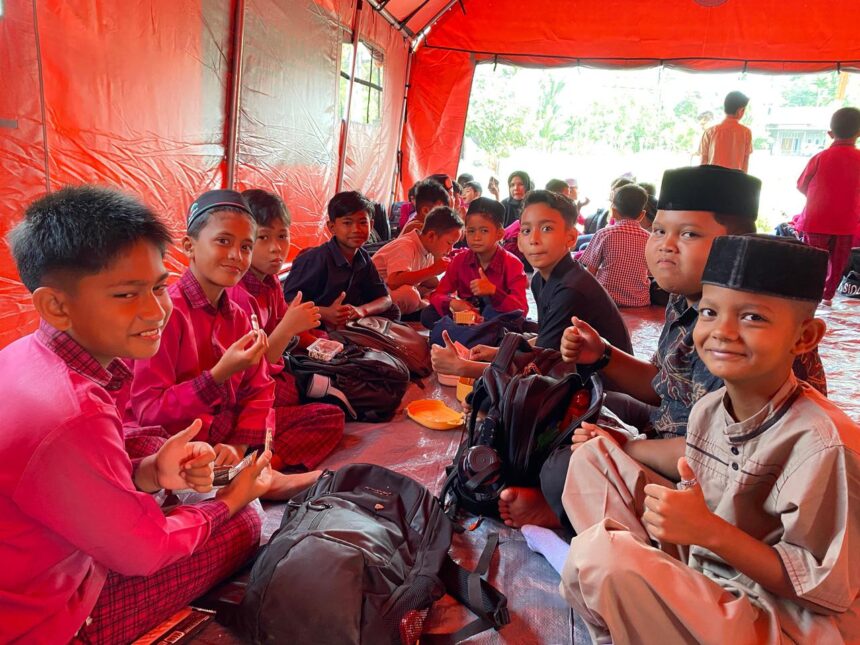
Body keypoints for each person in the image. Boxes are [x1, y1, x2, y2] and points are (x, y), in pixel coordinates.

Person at [553, 235, 860, 643]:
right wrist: (691, 522)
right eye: (711, 312)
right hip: (709, 568)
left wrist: (710, 531)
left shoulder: (826, 445)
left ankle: (638, 607)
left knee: (598, 557)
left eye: (752, 318)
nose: (723, 331)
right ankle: (642, 604)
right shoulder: (711, 408)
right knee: (593, 458)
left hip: (776, 618)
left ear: (804, 337)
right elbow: (697, 498)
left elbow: (825, 592)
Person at [0, 186, 272, 643]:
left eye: (159, 286)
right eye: (127, 294)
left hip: (44, 542)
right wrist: (230, 502)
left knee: (149, 446)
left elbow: (262, 384)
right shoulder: (74, 413)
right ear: (56, 306)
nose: (155, 310)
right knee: (245, 521)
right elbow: (145, 553)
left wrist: (148, 472)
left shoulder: (25, 353)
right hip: (45, 617)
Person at [499, 166, 826, 531]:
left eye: (688, 233)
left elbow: (718, 454)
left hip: (710, 482)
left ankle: (566, 511)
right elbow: (665, 386)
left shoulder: (733, 335)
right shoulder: (686, 298)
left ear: (733, 246)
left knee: (566, 461)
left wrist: (623, 446)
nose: (666, 245)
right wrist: (603, 354)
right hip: (672, 435)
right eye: (658, 230)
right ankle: (569, 502)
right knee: (565, 403)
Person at [128, 189, 321, 497]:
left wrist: (237, 444)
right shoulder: (166, 313)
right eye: (223, 241)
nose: (236, 255)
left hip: (222, 438)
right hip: (176, 445)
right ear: (189, 246)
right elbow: (149, 411)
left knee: (325, 414)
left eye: (245, 246)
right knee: (243, 524)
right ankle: (254, 478)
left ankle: (249, 471)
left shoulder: (238, 315)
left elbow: (259, 388)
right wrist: (217, 376)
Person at [430, 190, 631, 379]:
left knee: (496, 396)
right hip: (563, 360)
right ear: (518, 240)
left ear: (571, 237)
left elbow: (540, 365)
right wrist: (497, 352)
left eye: (546, 228)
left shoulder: (571, 289)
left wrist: (463, 367)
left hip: (602, 385)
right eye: (526, 230)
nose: (534, 239)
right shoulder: (539, 280)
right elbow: (545, 340)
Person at [227, 189, 344, 471]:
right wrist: (290, 328)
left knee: (329, 388)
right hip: (244, 396)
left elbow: (289, 331)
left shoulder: (270, 283)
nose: (276, 248)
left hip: (274, 381)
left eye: (282, 236)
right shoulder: (235, 295)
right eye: (263, 237)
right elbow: (252, 371)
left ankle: (261, 462)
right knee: (330, 415)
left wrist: (319, 341)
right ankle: (264, 471)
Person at [283, 190, 397, 329]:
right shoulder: (314, 260)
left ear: (371, 226)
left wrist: (362, 310)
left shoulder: (363, 257)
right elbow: (286, 305)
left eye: (362, 222)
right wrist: (326, 313)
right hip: (315, 330)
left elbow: (385, 299)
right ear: (332, 227)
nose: (356, 229)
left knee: (393, 311)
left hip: (349, 324)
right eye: (347, 223)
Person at [423, 197, 528, 329]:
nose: (476, 237)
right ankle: (472, 331)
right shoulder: (460, 260)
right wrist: (453, 303)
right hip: (467, 317)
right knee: (428, 315)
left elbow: (522, 309)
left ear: (500, 234)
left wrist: (494, 292)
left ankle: (474, 332)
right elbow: (438, 294)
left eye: (484, 231)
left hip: (495, 317)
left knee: (508, 320)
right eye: (471, 231)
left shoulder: (513, 264)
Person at [794, 106, 860, 305]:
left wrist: (817, 198)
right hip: (846, 223)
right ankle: (828, 296)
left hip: (816, 221)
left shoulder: (820, 157)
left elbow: (801, 185)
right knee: (838, 263)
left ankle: (808, 295)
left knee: (813, 261)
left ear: (830, 133)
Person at [372, 205, 463, 316]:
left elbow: (423, 279)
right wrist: (433, 270)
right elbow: (394, 281)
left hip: (391, 290)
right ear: (431, 236)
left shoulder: (428, 250)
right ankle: (425, 306)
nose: (450, 249)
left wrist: (449, 282)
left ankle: (426, 304)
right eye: (449, 243)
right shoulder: (405, 245)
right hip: (374, 293)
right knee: (409, 295)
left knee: (440, 291)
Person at [580, 183, 651, 307]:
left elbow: (590, 272)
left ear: (613, 211)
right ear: (642, 215)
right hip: (639, 302)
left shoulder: (604, 234)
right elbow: (650, 272)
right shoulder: (649, 238)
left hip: (606, 300)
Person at [698, 91, 753, 172]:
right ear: (740, 111)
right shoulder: (746, 132)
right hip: (735, 181)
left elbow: (703, 163)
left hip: (713, 180)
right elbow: (745, 163)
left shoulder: (709, 132)